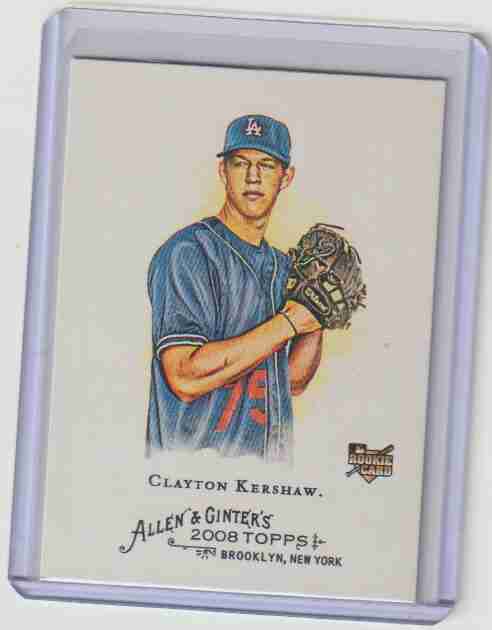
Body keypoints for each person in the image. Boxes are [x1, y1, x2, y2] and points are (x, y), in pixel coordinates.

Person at [146, 114, 323, 463]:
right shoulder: (189, 253)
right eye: (240, 163)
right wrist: (289, 323)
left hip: (268, 469)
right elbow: (184, 377)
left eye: (266, 165)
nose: (253, 176)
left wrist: (316, 321)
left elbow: (291, 383)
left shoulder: (285, 268)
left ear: (286, 177)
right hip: (191, 469)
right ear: (222, 171)